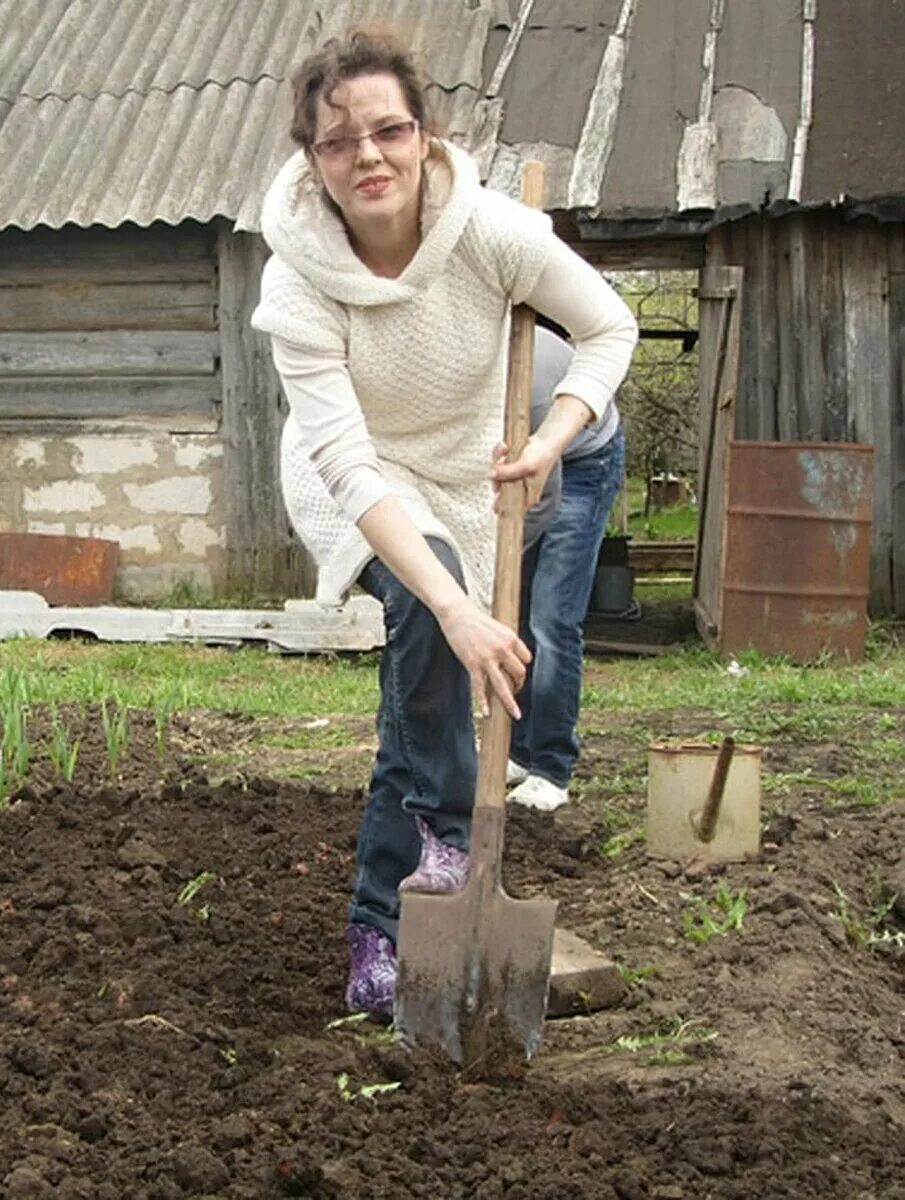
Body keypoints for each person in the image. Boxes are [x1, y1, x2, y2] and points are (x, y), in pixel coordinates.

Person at [251, 32, 637, 1019]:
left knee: (421, 684)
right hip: (356, 478)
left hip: (472, 469)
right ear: (313, 158)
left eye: (389, 130)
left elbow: (607, 327)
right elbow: (346, 461)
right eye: (340, 142)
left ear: (424, 136)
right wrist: (457, 606)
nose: (368, 155)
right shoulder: (296, 281)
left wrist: (554, 435)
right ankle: (440, 841)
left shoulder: (491, 233)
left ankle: (385, 917)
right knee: (434, 622)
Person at [506, 325, 627, 813]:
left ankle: (551, 768)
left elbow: (545, 491)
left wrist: (505, 555)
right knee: (512, 618)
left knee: (552, 619)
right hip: (527, 465)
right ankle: (515, 751)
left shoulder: (529, 390)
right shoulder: (459, 380)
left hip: (581, 464)